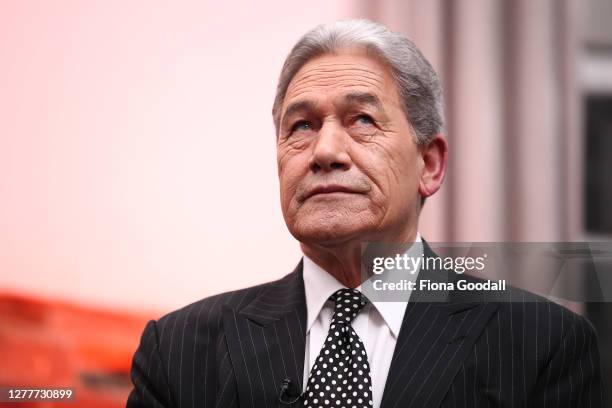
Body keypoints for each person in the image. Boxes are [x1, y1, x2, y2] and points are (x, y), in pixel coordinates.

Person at [127, 19, 603, 408]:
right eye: (302, 126)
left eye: (362, 120)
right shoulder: (179, 351)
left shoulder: (541, 345)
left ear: (430, 164)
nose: (325, 151)